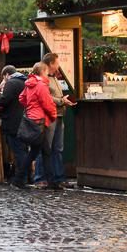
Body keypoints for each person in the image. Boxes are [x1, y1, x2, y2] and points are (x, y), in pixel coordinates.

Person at [12, 62, 59, 190]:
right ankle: (19, 179)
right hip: (39, 121)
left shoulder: (29, 84)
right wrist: (53, 116)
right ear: (43, 71)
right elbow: (47, 104)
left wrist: (31, 106)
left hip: (31, 119)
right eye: (46, 71)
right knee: (36, 153)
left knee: (44, 152)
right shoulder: (41, 85)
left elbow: (22, 98)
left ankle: (50, 181)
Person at [34, 53, 74, 187]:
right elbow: (46, 97)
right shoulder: (43, 78)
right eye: (57, 63)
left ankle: (58, 177)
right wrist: (61, 101)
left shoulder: (53, 78)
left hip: (59, 115)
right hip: (50, 116)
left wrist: (62, 101)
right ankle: (40, 178)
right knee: (46, 148)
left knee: (58, 148)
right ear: (51, 64)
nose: (58, 65)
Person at [0, 65, 27, 183]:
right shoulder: (24, 81)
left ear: (7, 74)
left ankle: (20, 179)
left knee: (18, 151)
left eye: (4, 77)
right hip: (24, 121)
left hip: (13, 122)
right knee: (23, 150)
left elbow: (5, 100)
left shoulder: (11, 83)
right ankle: (26, 177)